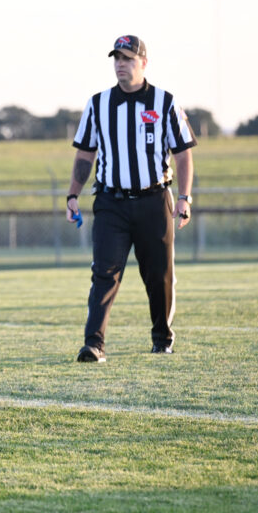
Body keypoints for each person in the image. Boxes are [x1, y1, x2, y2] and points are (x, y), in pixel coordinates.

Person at [66, 35, 197, 362]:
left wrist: (184, 197)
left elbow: (183, 154)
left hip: (154, 200)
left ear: (143, 63)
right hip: (111, 203)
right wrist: (72, 195)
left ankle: (162, 339)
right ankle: (94, 344)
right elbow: (85, 154)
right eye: (117, 58)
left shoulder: (165, 102)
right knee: (104, 273)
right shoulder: (98, 104)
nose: (120, 64)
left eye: (127, 58)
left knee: (159, 275)